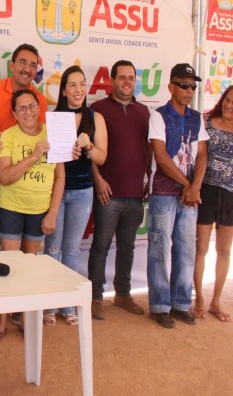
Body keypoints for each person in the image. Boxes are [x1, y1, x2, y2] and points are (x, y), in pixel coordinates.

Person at [0, 43, 48, 328]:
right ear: (12, 65)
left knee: (22, 257)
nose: (28, 69)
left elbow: (40, 142)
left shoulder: (40, 99)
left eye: (33, 65)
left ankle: (17, 305)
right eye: (23, 63)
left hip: (21, 190)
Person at [0, 89, 65, 344]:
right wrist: (33, 156)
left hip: (39, 210)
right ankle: (1, 320)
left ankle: (26, 319)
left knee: (28, 269)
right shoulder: (7, 136)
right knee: (9, 267)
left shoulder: (53, 133)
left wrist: (53, 212)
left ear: (39, 107)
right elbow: (6, 176)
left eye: (32, 106)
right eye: (22, 108)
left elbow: (61, 176)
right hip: (11, 207)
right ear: (14, 113)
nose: (28, 111)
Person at [43, 65, 107, 326]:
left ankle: (68, 305)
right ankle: (48, 304)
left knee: (70, 250)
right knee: (52, 249)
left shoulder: (96, 118)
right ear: (64, 89)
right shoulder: (53, 117)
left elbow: (102, 157)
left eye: (82, 84)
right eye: (72, 84)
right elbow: (45, 156)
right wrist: (61, 153)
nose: (78, 89)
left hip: (82, 191)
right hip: (54, 191)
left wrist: (89, 147)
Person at [147, 63, 208, 329]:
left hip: (188, 195)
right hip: (163, 192)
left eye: (193, 86)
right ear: (171, 86)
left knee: (186, 249)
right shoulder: (158, 116)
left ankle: (181, 303)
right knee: (159, 249)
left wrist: (194, 187)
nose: (189, 90)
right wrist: (189, 185)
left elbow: (203, 154)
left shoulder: (197, 117)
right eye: (184, 85)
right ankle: (160, 306)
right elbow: (160, 157)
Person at [88, 60, 150, 320]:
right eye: (122, 77)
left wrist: (149, 180)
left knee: (127, 247)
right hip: (107, 192)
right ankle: (95, 297)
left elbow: (149, 150)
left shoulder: (145, 112)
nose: (127, 82)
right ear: (111, 81)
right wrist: (98, 180)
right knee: (100, 245)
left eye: (131, 78)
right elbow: (87, 152)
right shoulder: (97, 109)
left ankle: (123, 294)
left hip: (136, 194)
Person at [192, 84, 233, 322]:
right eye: (227, 100)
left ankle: (215, 301)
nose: (229, 106)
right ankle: (198, 297)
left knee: (224, 251)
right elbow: (197, 155)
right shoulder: (207, 121)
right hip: (206, 192)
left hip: (232, 196)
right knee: (201, 249)